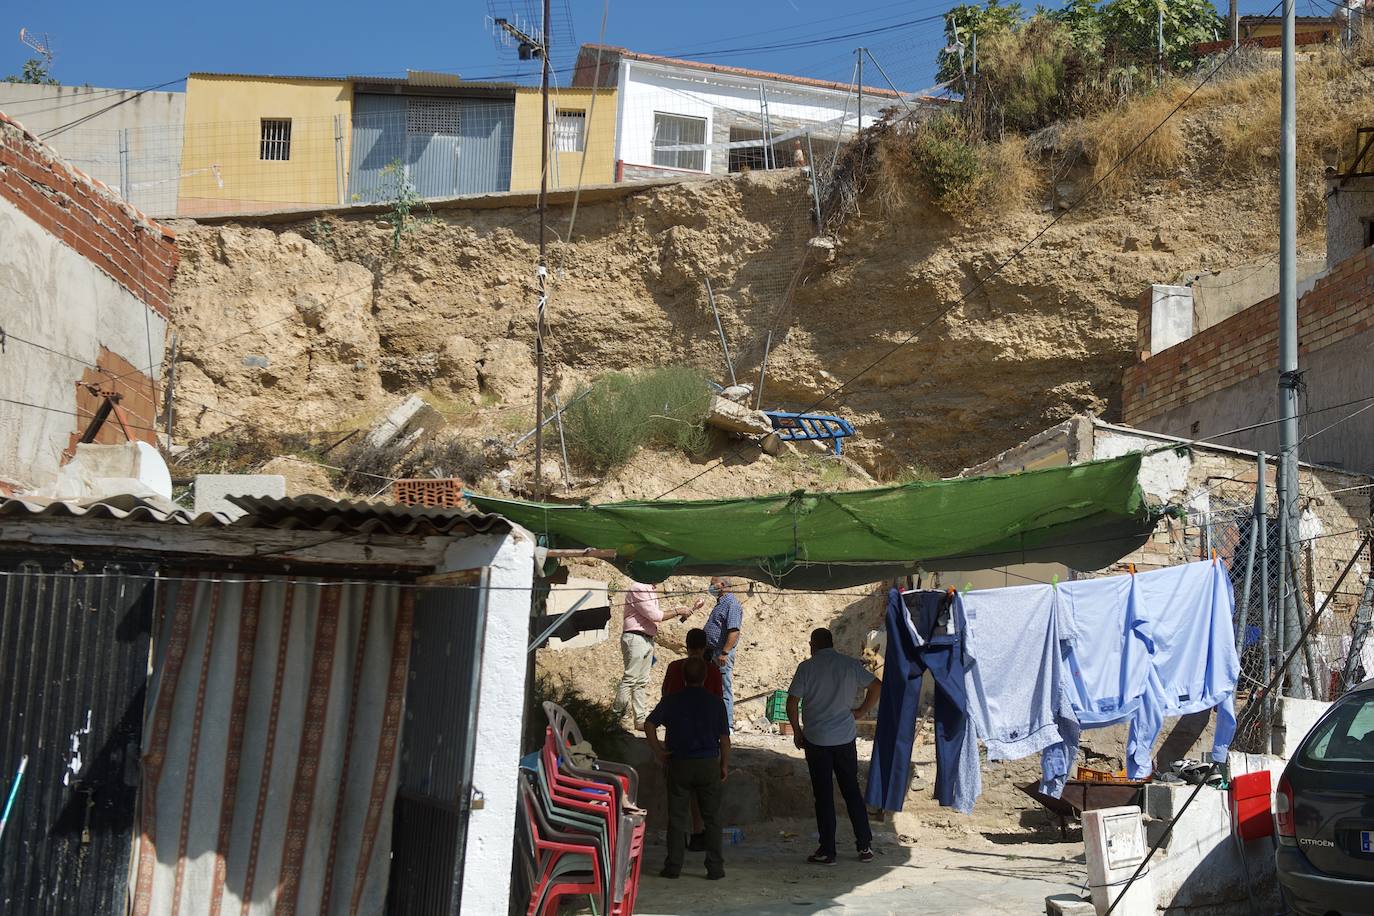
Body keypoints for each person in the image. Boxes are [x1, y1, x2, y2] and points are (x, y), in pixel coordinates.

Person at [787, 627, 882, 865]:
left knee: (823, 795)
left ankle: (828, 850)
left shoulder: (806, 668)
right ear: (832, 644)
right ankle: (865, 846)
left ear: (813, 645)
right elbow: (877, 686)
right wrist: (861, 711)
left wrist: (797, 731)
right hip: (844, 738)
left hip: (816, 739)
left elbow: (792, 701)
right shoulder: (850, 665)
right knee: (851, 791)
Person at [644, 657, 730, 880]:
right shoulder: (715, 702)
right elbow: (724, 738)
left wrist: (658, 751)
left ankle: (673, 866)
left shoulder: (671, 700)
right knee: (712, 818)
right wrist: (724, 764)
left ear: (683, 677)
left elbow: (649, 724)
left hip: (679, 763)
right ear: (704, 677)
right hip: (707, 763)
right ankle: (715, 867)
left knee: (677, 818)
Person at [615, 580, 703, 729]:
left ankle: (640, 720)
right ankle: (615, 719)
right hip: (636, 637)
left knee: (641, 682)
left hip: (646, 639)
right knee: (630, 679)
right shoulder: (639, 588)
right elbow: (655, 615)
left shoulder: (650, 590)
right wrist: (678, 611)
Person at [702, 577, 744, 728]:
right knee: (710, 687)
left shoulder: (732, 604)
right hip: (711, 652)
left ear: (721, 585)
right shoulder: (721, 604)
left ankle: (726, 726)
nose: (710, 587)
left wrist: (725, 653)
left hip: (721, 653)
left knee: (723, 688)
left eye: (712, 584)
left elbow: (734, 631)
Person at [662, 628, 724, 698]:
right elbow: (719, 697)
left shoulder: (673, 667)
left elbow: (665, 692)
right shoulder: (714, 670)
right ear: (704, 647)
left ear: (687, 646)